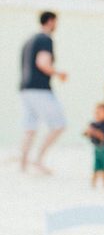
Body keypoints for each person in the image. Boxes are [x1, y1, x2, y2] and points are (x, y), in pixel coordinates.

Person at [18, 11, 67, 174]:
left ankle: (23, 164)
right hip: (40, 89)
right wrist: (59, 73)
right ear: (51, 21)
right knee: (59, 124)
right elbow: (42, 63)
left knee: (30, 128)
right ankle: (38, 160)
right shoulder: (45, 39)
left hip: (25, 89)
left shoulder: (29, 41)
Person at [84, 102, 104, 188]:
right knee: (96, 166)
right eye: (95, 112)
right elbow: (86, 133)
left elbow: (103, 136)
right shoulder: (93, 124)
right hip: (96, 147)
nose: (96, 114)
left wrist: (94, 132)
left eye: (99, 113)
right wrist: (88, 132)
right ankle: (93, 183)